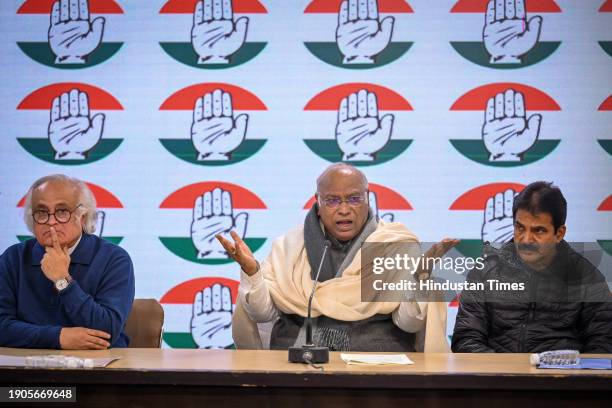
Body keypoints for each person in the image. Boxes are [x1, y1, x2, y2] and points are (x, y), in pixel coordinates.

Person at [218, 163, 456, 352]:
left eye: (354, 198)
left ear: (367, 198)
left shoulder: (394, 245)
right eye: (332, 200)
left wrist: (420, 277)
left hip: (376, 366)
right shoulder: (289, 247)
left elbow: (409, 323)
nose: (344, 209)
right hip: (295, 362)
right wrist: (252, 273)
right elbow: (263, 314)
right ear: (318, 203)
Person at [452, 181, 612, 353]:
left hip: (562, 378)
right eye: (520, 228)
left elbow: (603, 346)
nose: (526, 239)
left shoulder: (587, 277)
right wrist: (504, 373)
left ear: (559, 233)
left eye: (539, 231)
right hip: (498, 377)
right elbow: (466, 340)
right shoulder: (484, 272)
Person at [0, 174, 135, 349]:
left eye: (62, 211)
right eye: (41, 213)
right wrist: (57, 337)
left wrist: (62, 280)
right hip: (28, 369)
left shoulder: (114, 259)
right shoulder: (13, 258)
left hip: (97, 369)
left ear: (83, 217)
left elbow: (107, 330)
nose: (51, 221)